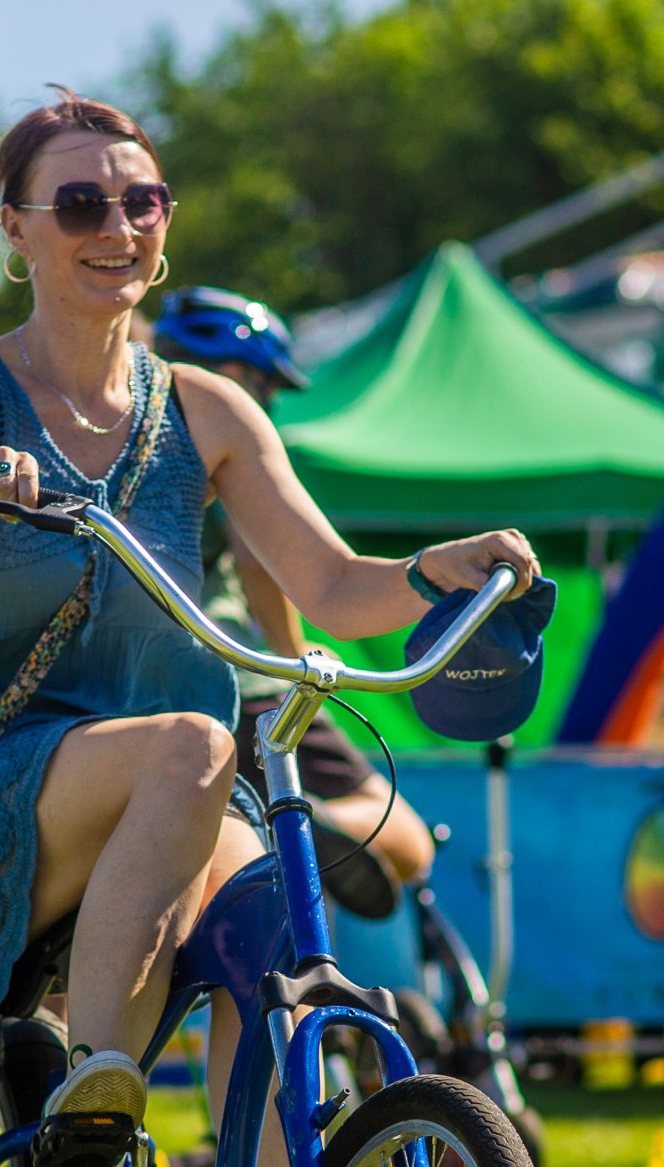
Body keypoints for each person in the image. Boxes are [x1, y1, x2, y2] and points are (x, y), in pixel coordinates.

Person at [0, 91, 539, 1167]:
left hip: (168, 792)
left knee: (289, 962)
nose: (116, 223)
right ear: (16, 229)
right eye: (80, 201)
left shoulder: (208, 410)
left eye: (141, 199)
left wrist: (438, 568)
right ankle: (92, 1107)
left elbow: (334, 584)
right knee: (192, 743)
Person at [152, 285, 436, 888]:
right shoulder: (223, 436)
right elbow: (260, 562)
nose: (269, 404)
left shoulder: (120, 433)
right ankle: (286, 827)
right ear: (236, 374)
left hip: (136, 695)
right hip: (239, 682)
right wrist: (292, 661)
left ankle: (250, 833)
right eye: (268, 387)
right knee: (408, 842)